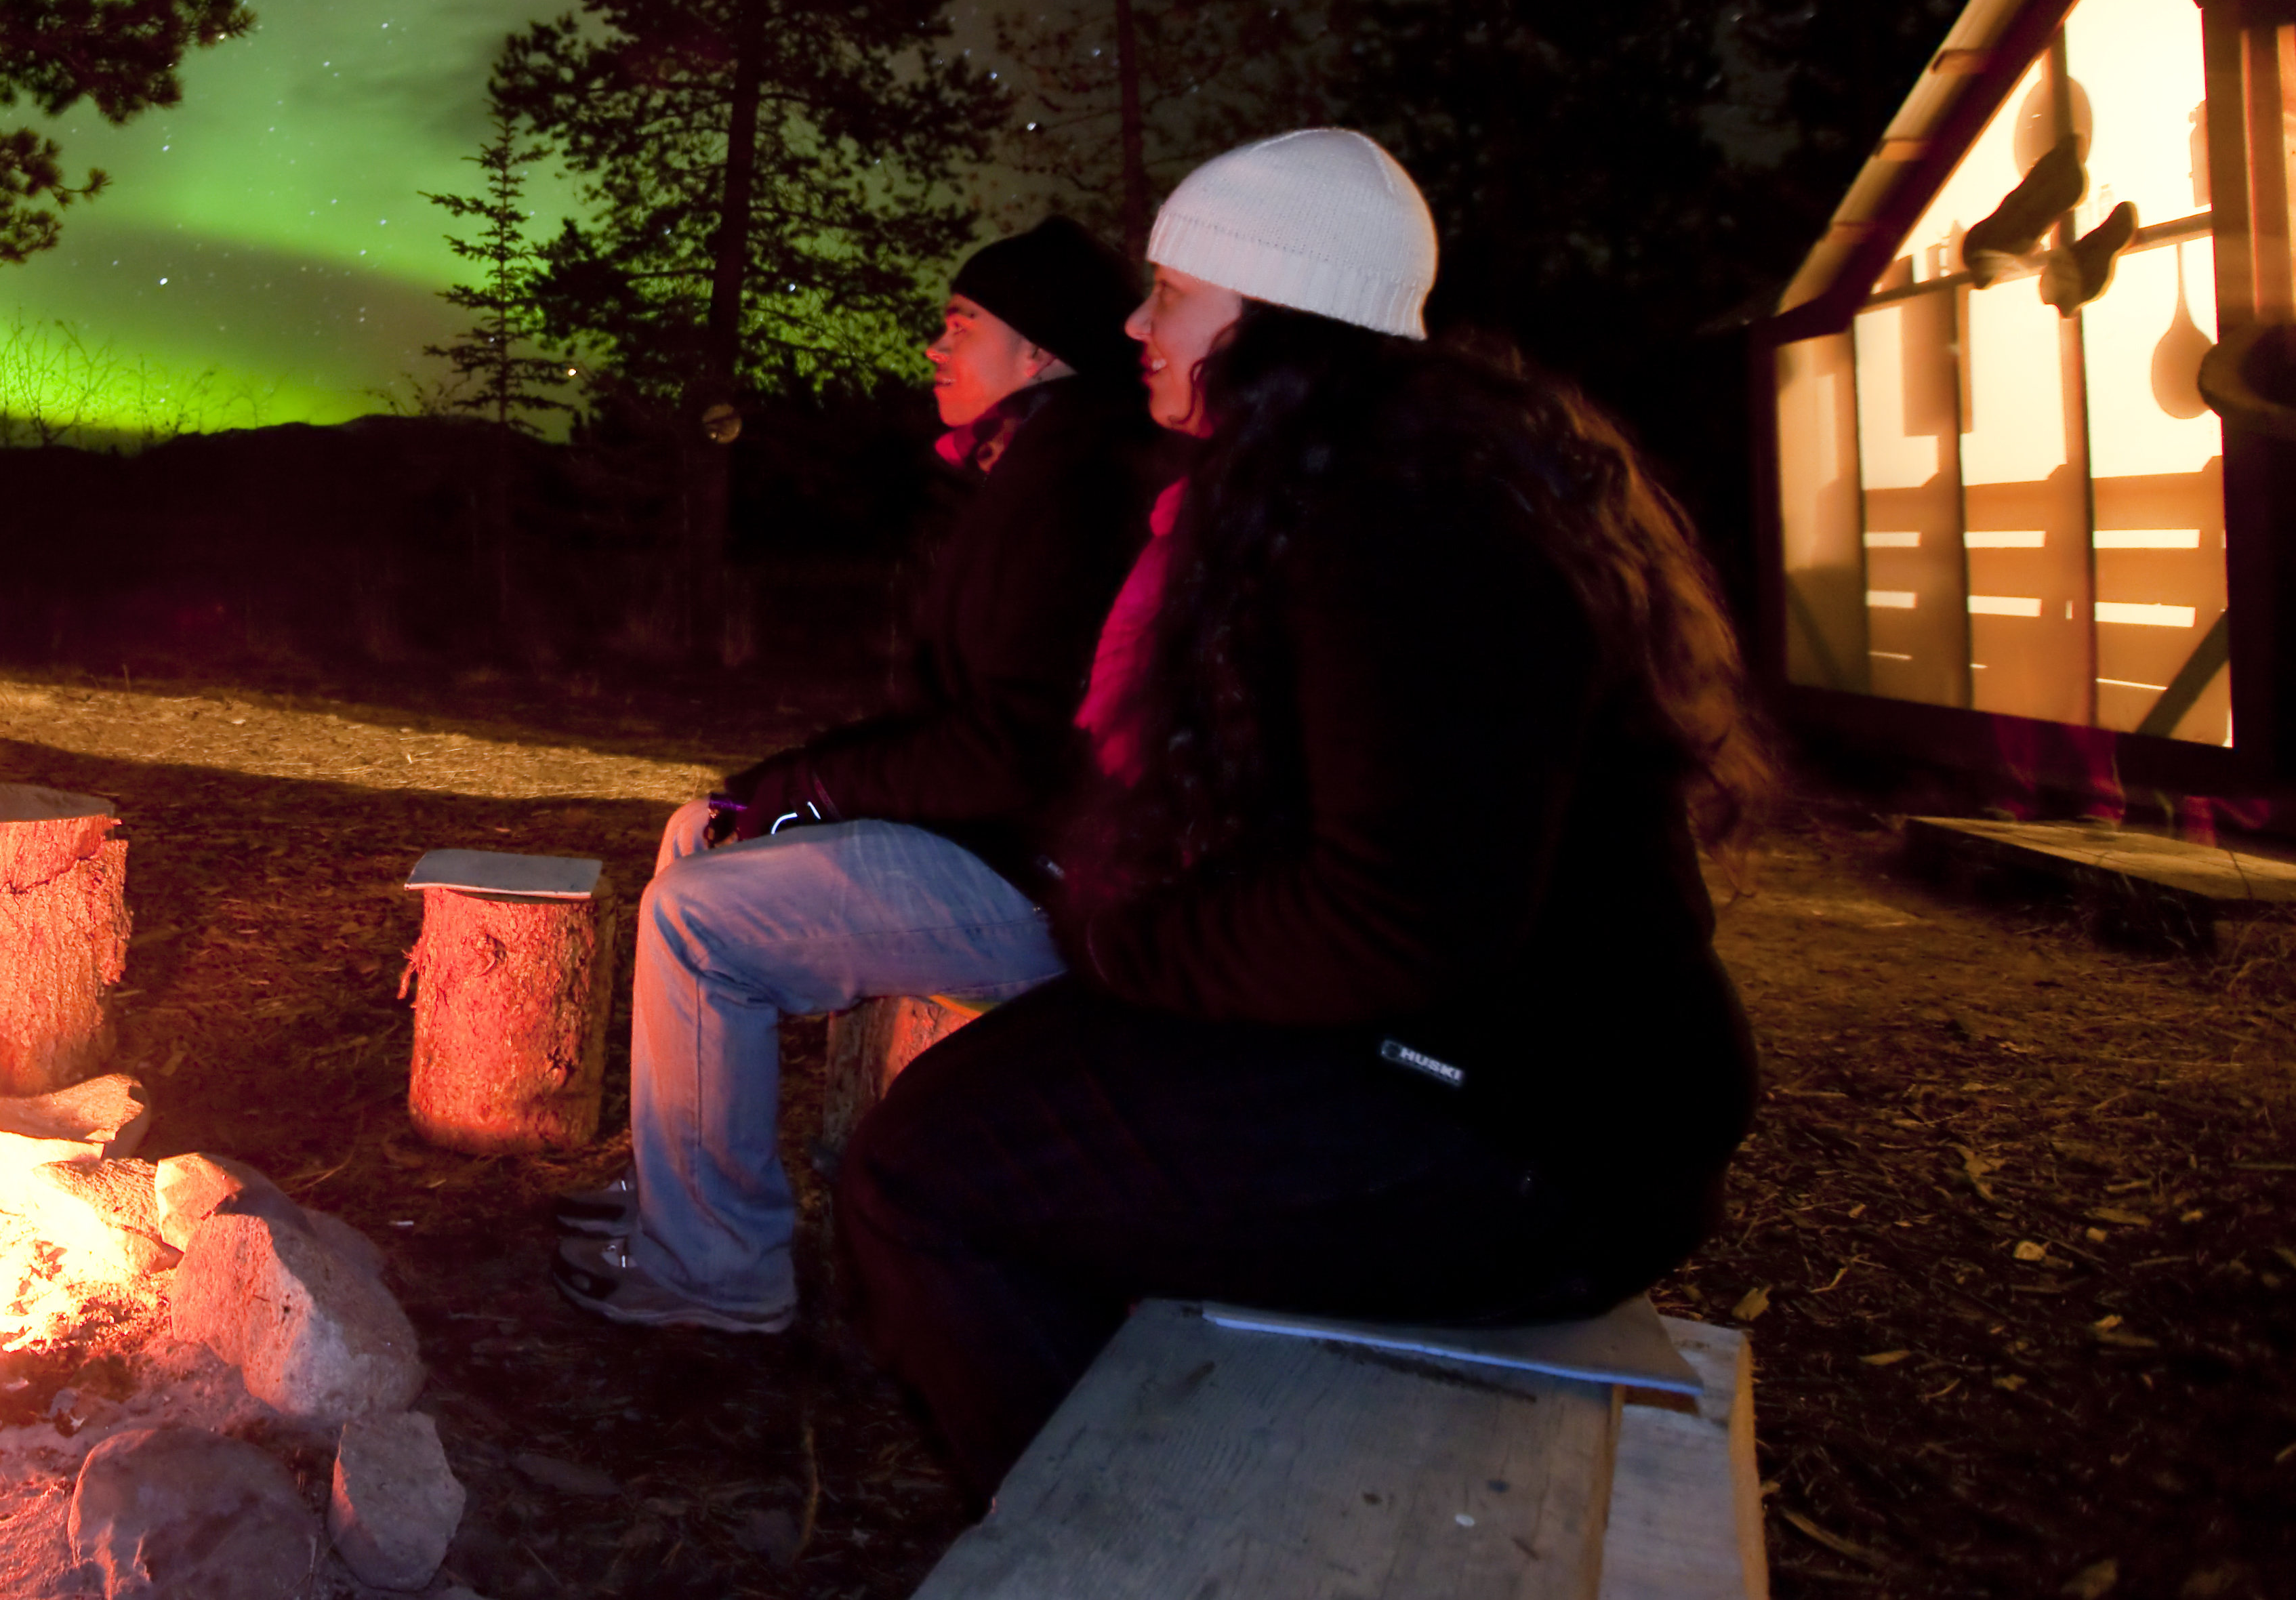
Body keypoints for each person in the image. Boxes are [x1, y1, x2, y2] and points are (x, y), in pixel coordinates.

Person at [836, 127, 1767, 1504]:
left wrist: (1121, 945)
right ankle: (1168, 1464)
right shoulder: (1358, 473)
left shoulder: (1403, 516)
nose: (1138, 323)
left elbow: (1399, 910)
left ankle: (1121, 1544)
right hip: (1459, 1066)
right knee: (992, 1113)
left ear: (1271, 311)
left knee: (927, 1171)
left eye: (1172, 293)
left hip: (1544, 1143)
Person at [553, 217, 1166, 1335]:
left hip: (1047, 883)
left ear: (1037, 354)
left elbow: (1007, 748)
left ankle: (717, 1270)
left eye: (960, 325)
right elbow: (960, 721)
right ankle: (681, 1203)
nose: (935, 347)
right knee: (696, 836)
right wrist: (772, 787)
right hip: (1004, 842)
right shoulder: (1033, 470)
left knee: (699, 920)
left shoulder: (1077, 496)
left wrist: (807, 790)